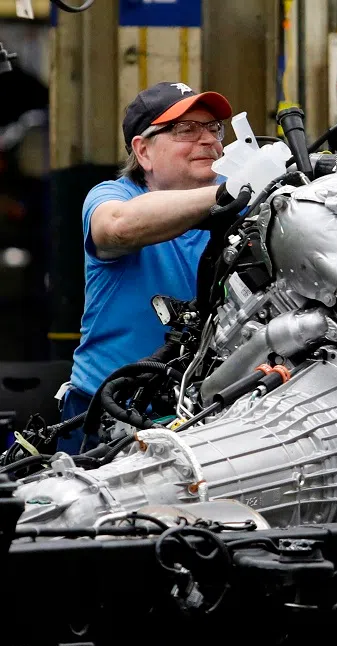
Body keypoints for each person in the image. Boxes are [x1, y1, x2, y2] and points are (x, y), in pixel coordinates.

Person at [55, 82, 234, 454]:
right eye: (186, 130)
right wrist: (229, 192)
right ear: (144, 150)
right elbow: (116, 227)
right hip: (106, 416)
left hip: (205, 415)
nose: (209, 141)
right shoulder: (114, 196)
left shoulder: (244, 203)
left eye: (214, 127)